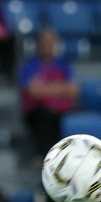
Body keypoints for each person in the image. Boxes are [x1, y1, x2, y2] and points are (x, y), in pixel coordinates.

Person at [20, 29, 79, 158]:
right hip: (38, 112)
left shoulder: (64, 64)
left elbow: (74, 90)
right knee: (45, 115)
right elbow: (33, 91)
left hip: (63, 110)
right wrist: (61, 88)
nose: (48, 45)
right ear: (38, 44)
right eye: (45, 42)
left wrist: (45, 89)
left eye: (51, 42)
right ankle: (46, 157)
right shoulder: (29, 65)